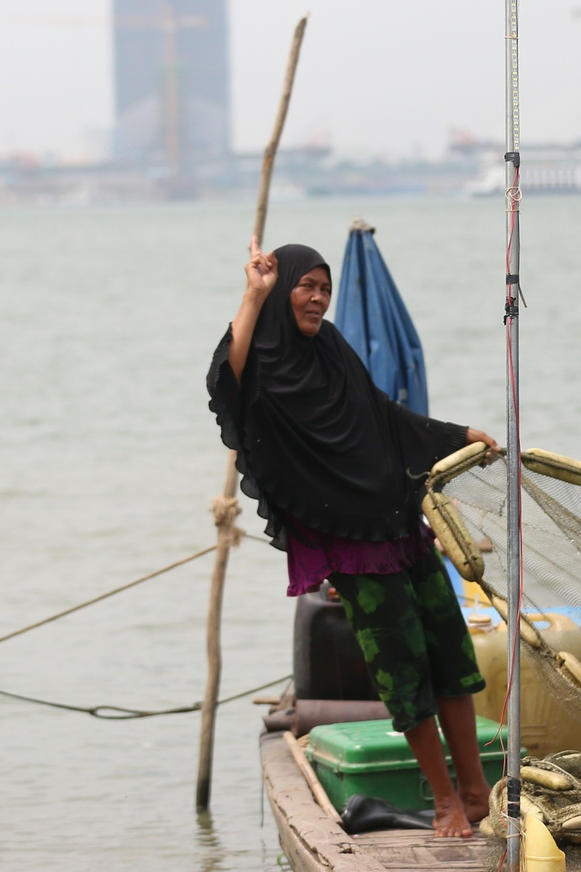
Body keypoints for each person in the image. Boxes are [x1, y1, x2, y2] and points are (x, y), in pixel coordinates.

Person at [209, 239, 501, 838]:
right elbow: (224, 380)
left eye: (325, 288)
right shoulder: (261, 363)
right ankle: (444, 803)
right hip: (350, 546)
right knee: (401, 669)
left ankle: (474, 793)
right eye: (305, 286)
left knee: (450, 655)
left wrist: (456, 433)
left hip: (399, 522)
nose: (317, 298)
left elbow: (383, 415)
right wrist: (254, 293)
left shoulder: (334, 347)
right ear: (282, 288)